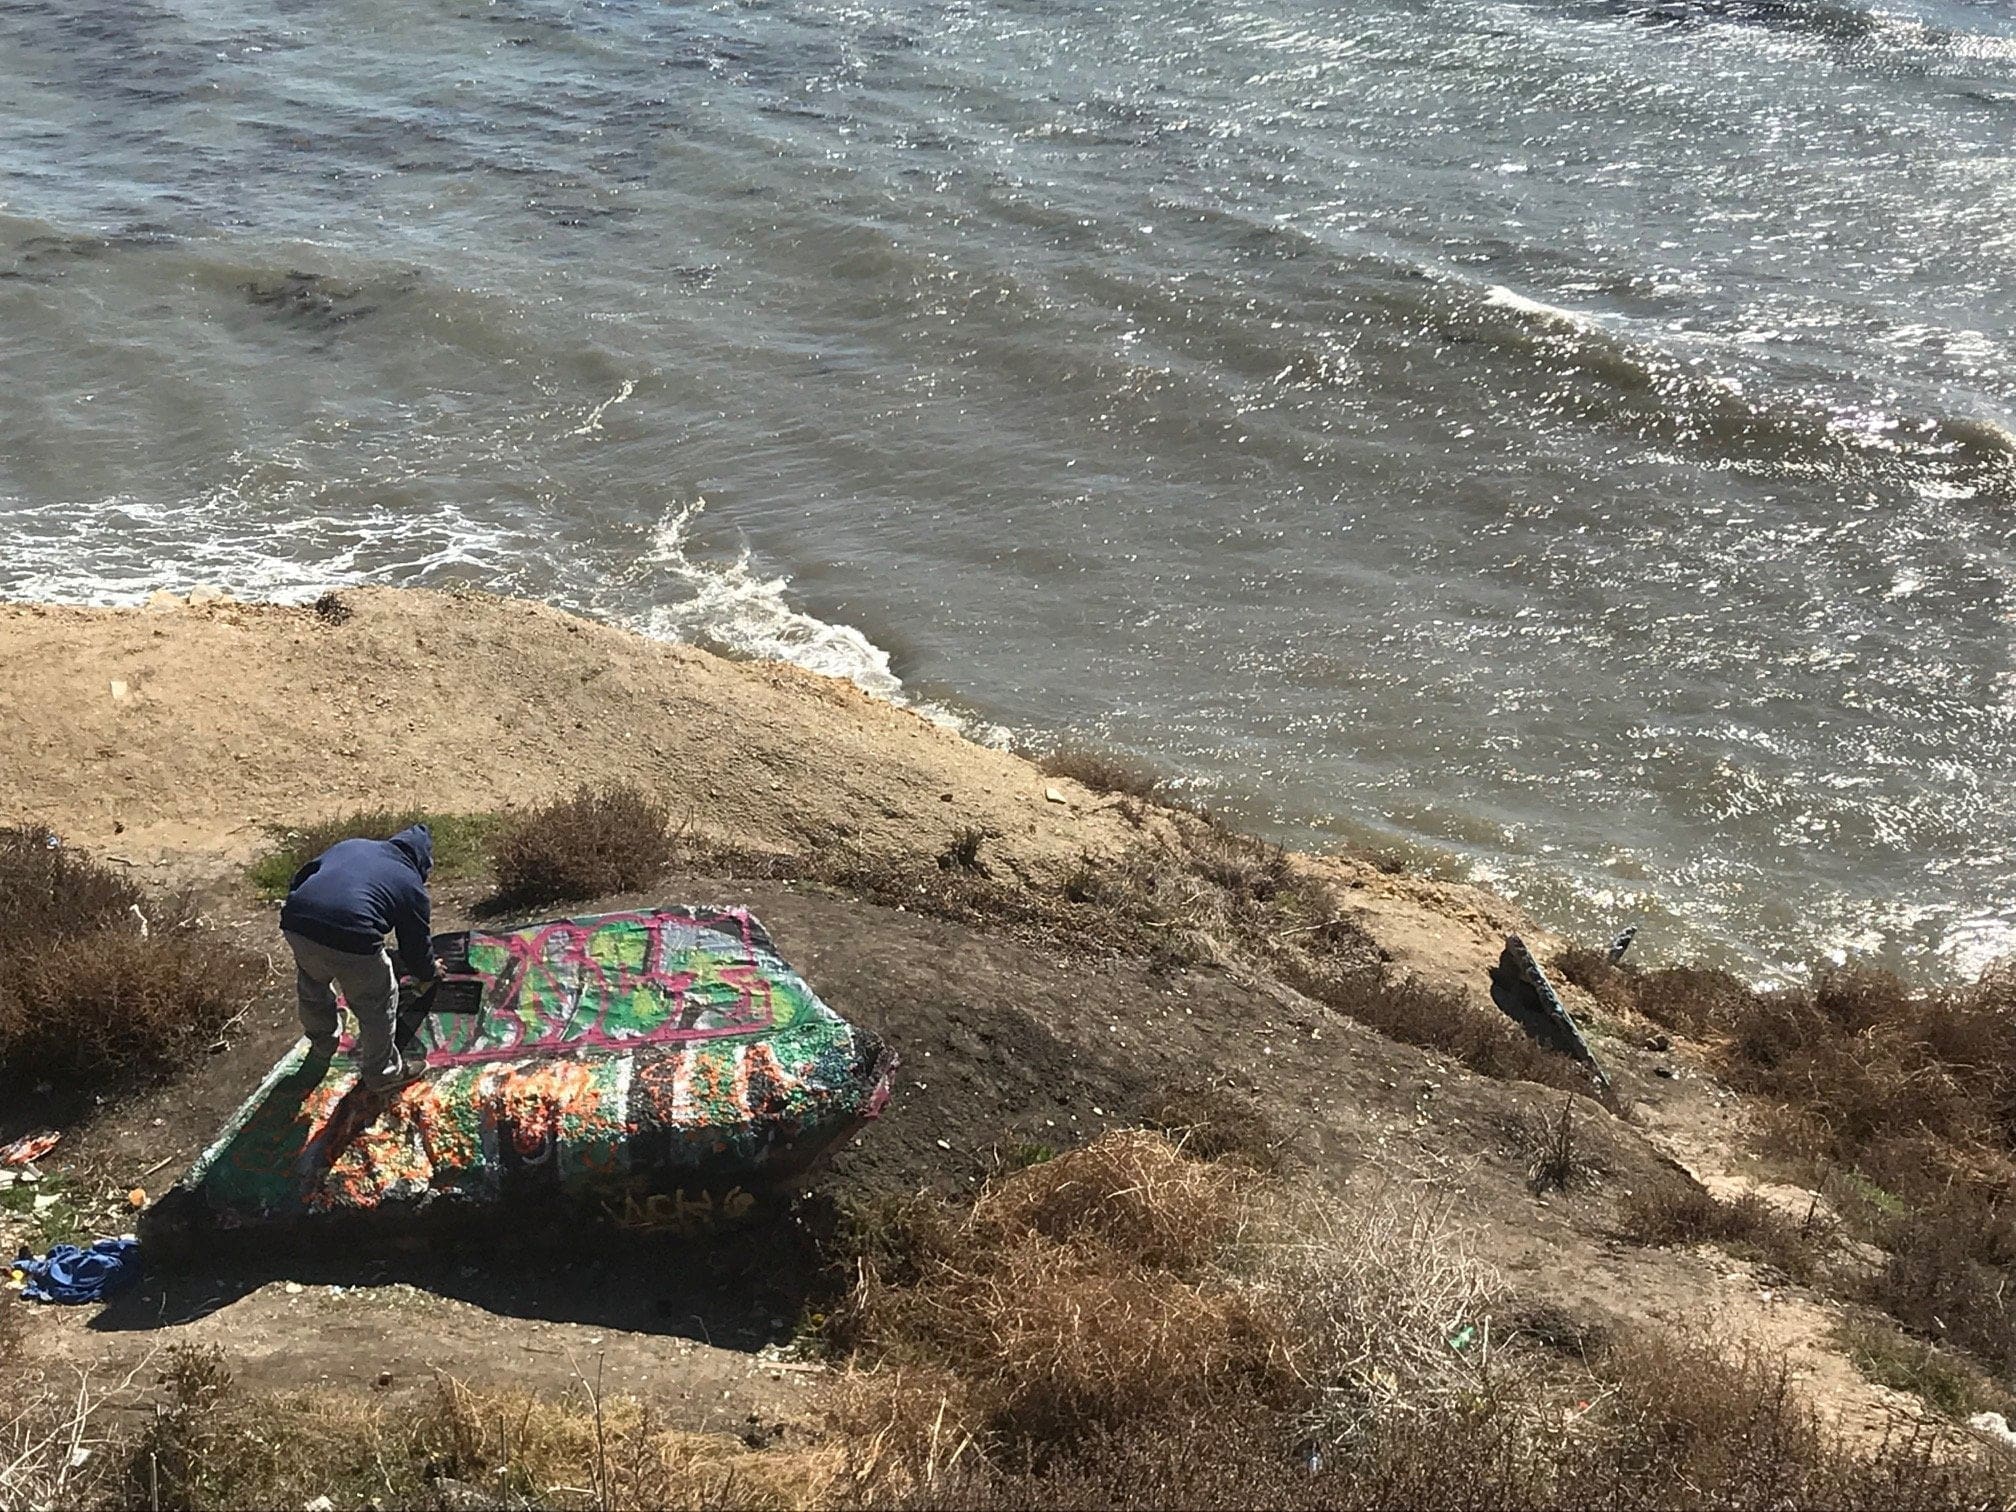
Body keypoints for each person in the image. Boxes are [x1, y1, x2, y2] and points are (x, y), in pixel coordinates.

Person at [278, 822, 439, 1093]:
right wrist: (429, 972)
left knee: (313, 985)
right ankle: (383, 1073)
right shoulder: (410, 883)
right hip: (353, 934)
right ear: (422, 862)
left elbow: (302, 876)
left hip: (297, 921)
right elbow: (415, 946)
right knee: (376, 1002)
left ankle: (322, 1043)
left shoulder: (352, 845)